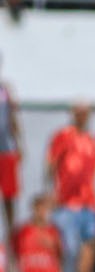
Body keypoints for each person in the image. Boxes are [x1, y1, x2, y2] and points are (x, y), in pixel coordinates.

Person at [46, 102, 95, 272]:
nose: (82, 117)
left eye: (85, 113)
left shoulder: (92, 139)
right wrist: (52, 193)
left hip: (89, 204)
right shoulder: (63, 136)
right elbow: (51, 165)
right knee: (67, 248)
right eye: (78, 113)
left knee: (89, 250)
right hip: (67, 203)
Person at [0, 58, 24, 236]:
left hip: (6, 149)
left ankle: (11, 235)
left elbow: (13, 118)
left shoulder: (5, 89)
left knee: (9, 196)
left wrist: (19, 144)